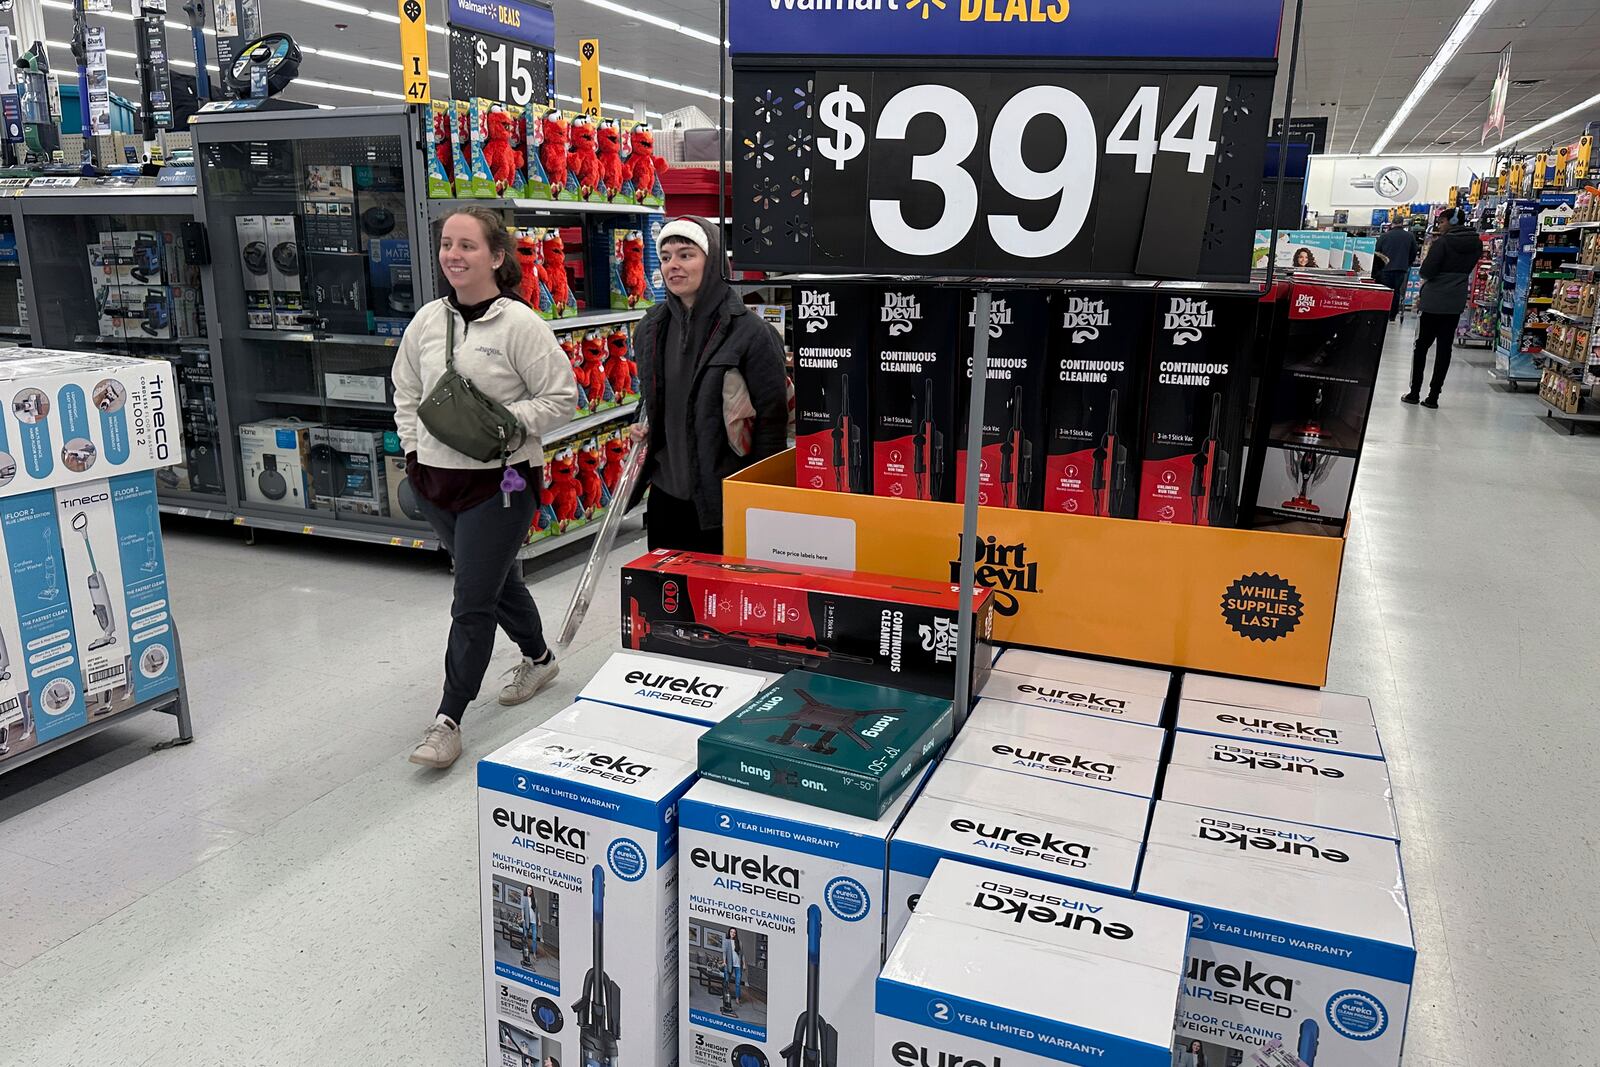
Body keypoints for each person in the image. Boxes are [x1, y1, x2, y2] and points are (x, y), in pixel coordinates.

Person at [393, 208, 580, 769]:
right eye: (448, 244)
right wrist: (411, 451)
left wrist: (503, 422)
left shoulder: (520, 326)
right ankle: (541, 658)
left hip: (501, 484)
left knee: (471, 598)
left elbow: (562, 398)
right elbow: (405, 389)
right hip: (433, 482)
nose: (454, 255)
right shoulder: (427, 320)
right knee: (495, 584)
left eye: (468, 246)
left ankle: (447, 720)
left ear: (496, 257)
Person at [631, 216, 789, 553]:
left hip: (723, 502)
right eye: (666, 257)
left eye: (686, 255)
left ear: (714, 260)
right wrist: (641, 424)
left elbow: (771, 427)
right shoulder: (651, 327)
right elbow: (652, 398)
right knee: (666, 599)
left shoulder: (750, 333)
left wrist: (760, 500)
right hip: (666, 496)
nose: (673, 265)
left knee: (721, 601)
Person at [1404, 207, 1483, 408]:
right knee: (1444, 348)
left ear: (1452, 221)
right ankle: (1433, 396)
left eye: (1442, 221)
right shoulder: (1476, 244)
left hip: (1434, 300)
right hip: (1455, 300)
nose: (1440, 225)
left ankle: (1414, 392)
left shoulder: (1443, 243)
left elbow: (1427, 271)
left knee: (1422, 346)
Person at [1375, 219, 1419, 321]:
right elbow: (1414, 251)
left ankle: (1383, 313)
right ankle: (1392, 315)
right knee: (1396, 292)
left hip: (1385, 268)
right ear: (1402, 223)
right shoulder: (1409, 236)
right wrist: (1408, 263)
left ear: (1392, 223)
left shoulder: (1384, 236)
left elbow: (1377, 252)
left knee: (1386, 291)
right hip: (1401, 268)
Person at [722, 928, 744, 1003]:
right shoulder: (726, 941)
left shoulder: (739, 942)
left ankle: (737, 998)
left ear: (736, 934)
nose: (732, 933)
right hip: (729, 964)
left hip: (738, 965)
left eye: (734, 932)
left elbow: (742, 954)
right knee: (726, 980)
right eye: (731, 932)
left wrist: (744, 964)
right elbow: (724, 952)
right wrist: (724, 962)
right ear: (729, 932)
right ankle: (725, 994)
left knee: (737, 983)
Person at [521, 890, 540, 963]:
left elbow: (537, 911)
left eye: (531, 890)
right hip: (527, 921)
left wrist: (539, 921)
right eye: (528, 890)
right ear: (526, 891)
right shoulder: (524, 898)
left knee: (534, 938)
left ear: (532, 891)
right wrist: (523, 918)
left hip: (534, 922)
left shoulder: (535, 900)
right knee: (525, 937)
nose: (529, 891)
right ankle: (524, 950)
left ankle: (534, 954)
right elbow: (522, 909)